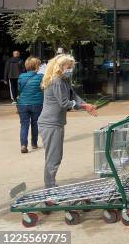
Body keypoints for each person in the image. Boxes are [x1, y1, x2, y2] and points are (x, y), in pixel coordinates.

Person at [38, 54, 98, 188]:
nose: (70, 69)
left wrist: (86, 105)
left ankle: (50, 185)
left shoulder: (64, 79)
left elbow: (73, 96)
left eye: (71, 67)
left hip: (56, 122)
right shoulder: (56, 81)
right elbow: (64, 103)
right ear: (60, 67)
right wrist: (84, 106)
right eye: (68, 67)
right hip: (50, 123)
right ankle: (49, 188)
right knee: (53, 157)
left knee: (56, 156)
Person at [17, 57, 44, 153]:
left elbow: (19, 90)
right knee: (35, 123)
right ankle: (34, 143)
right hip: (37, 103)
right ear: (37, 66)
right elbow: (43, 89)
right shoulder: (41, 77)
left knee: (24, 124)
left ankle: (23, 145)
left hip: (22, 104)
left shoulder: (21, 76)